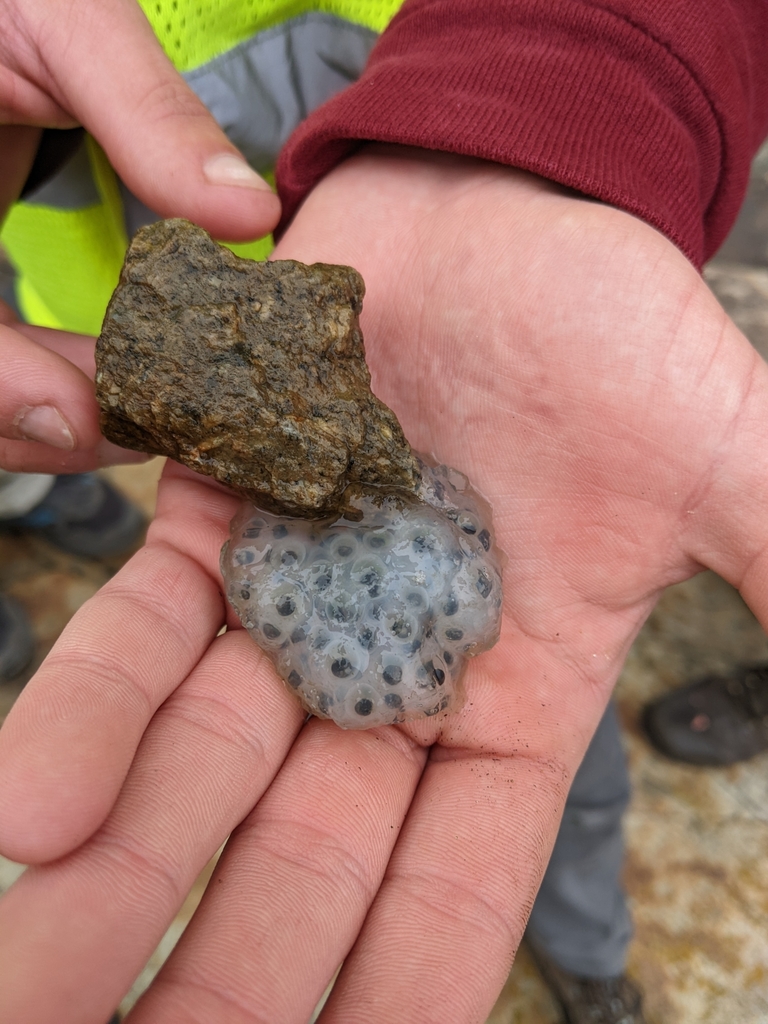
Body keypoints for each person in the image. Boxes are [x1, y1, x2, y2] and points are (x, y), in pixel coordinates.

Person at [0, 3, 767, 1024]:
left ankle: (587, 946)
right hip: (95, 300)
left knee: (559, 761)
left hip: (470, 95)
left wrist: (584, 76)